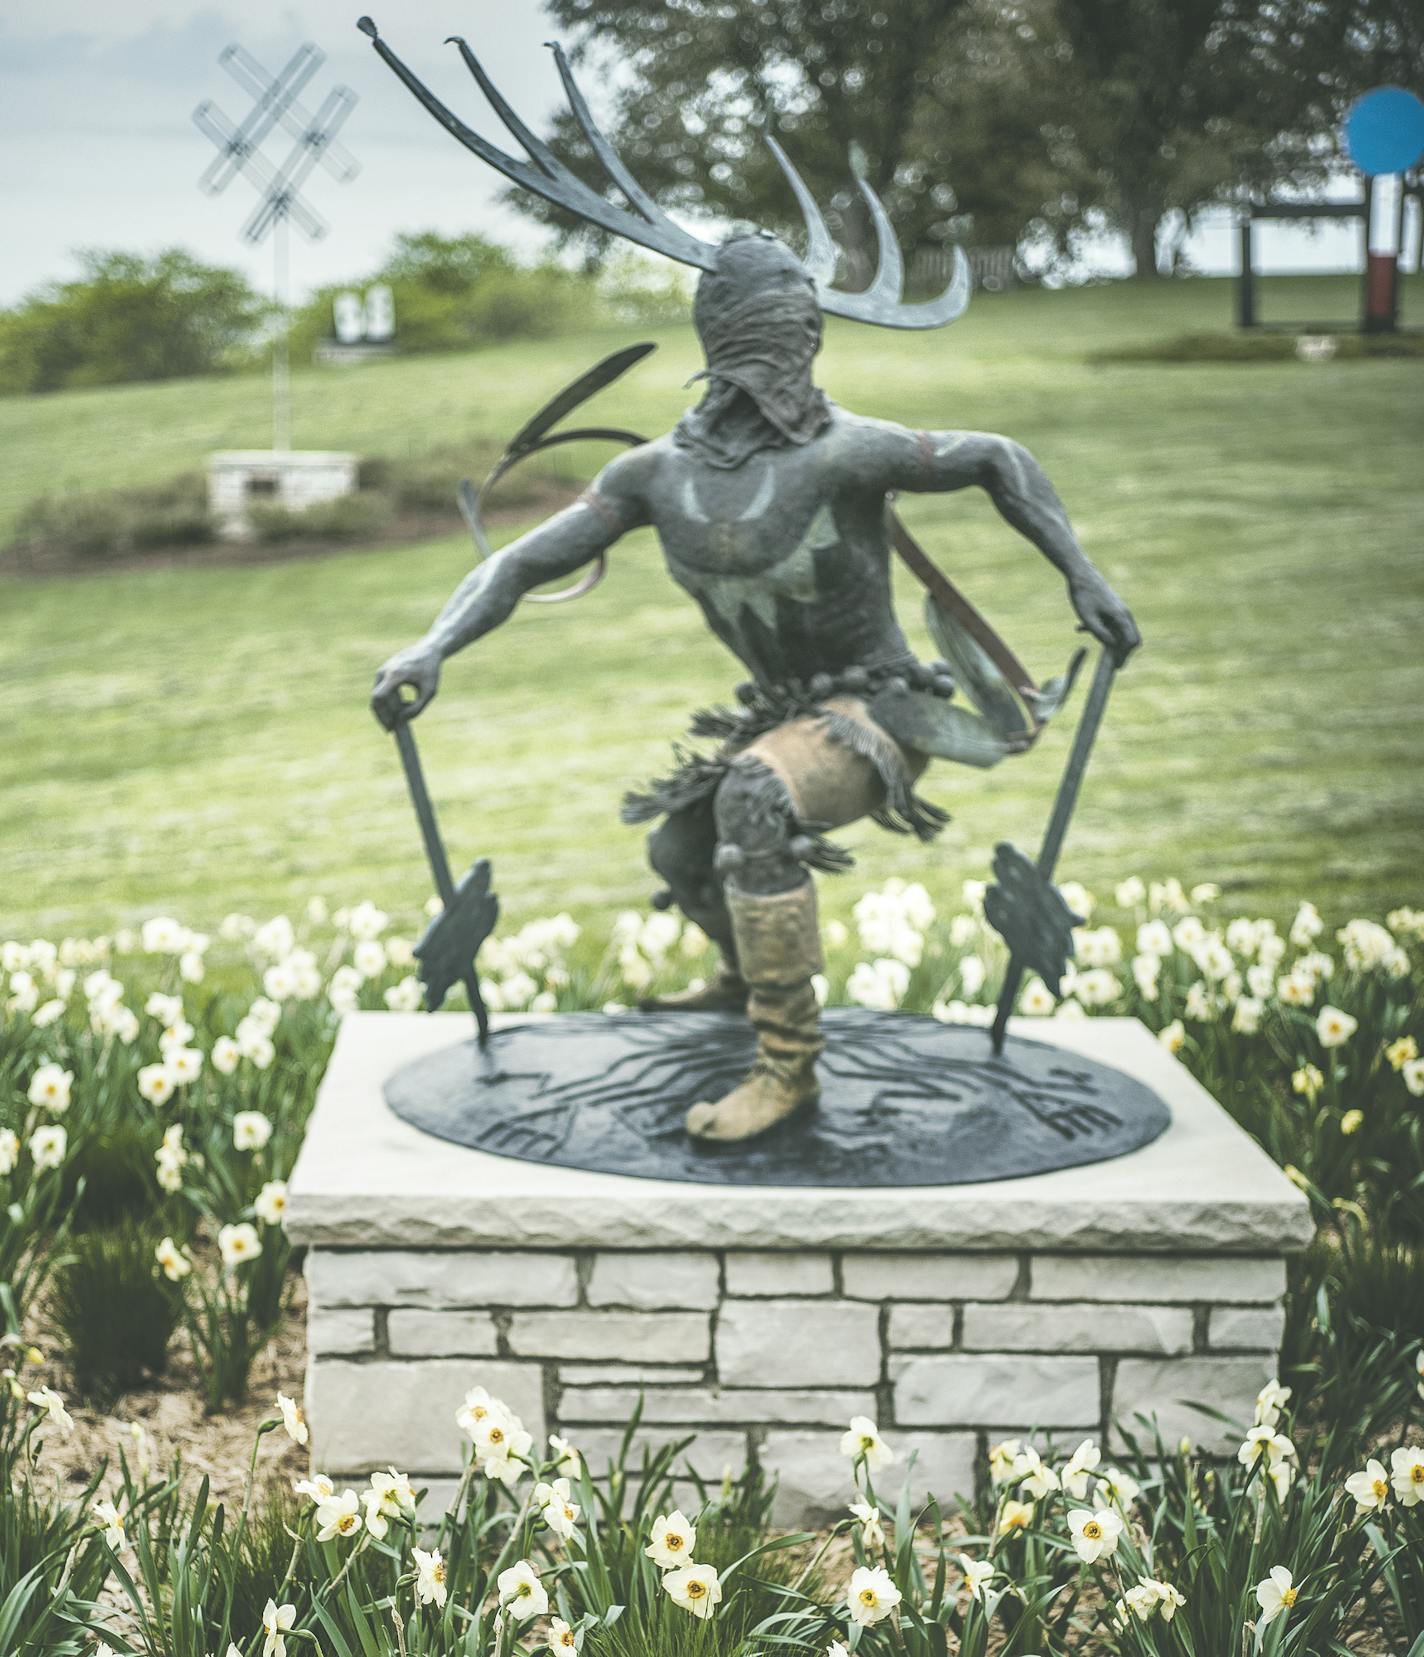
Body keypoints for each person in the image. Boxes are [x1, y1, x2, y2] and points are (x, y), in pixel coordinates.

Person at [372, 232, 1140, 1145]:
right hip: (784, 715)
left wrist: (1082, 576)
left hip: (881, 711)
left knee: (751, 794)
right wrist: (432, 647)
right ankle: (744, 982)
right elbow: (520, 564)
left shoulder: (847, 453)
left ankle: (787, 1065)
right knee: (680, 853)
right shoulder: (655, 474)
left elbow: (998, 458)